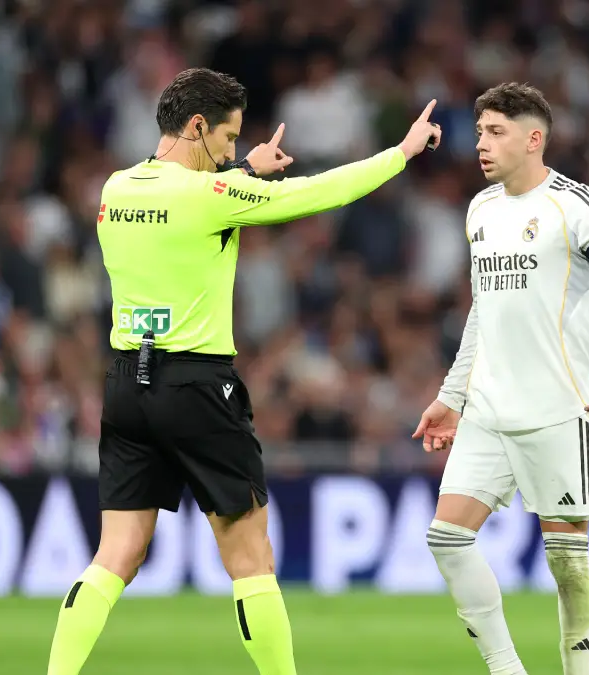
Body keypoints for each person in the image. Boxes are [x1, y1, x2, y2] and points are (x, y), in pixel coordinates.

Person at [46, 67, 442, 675]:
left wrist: (243, 172)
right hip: (197, 387)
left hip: (127, 384)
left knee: (116, 554)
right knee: (252, 560)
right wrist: (401, 153)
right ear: (198, 125)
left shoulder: (115, 189)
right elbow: (318, 193)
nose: (232, 152)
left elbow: (187, 201)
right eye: (228, 139)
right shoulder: (209, 197)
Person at [412, 82, 589, 675]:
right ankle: (507, 669)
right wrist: (451, 396)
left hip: (560, 410)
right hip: (489, 410)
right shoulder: (481, 210)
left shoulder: (576, 207)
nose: (481, 145)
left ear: (534, 138)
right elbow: (481, 313)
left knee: (568, 562)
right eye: (480, 133)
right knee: (446, 537)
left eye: (496, 132)